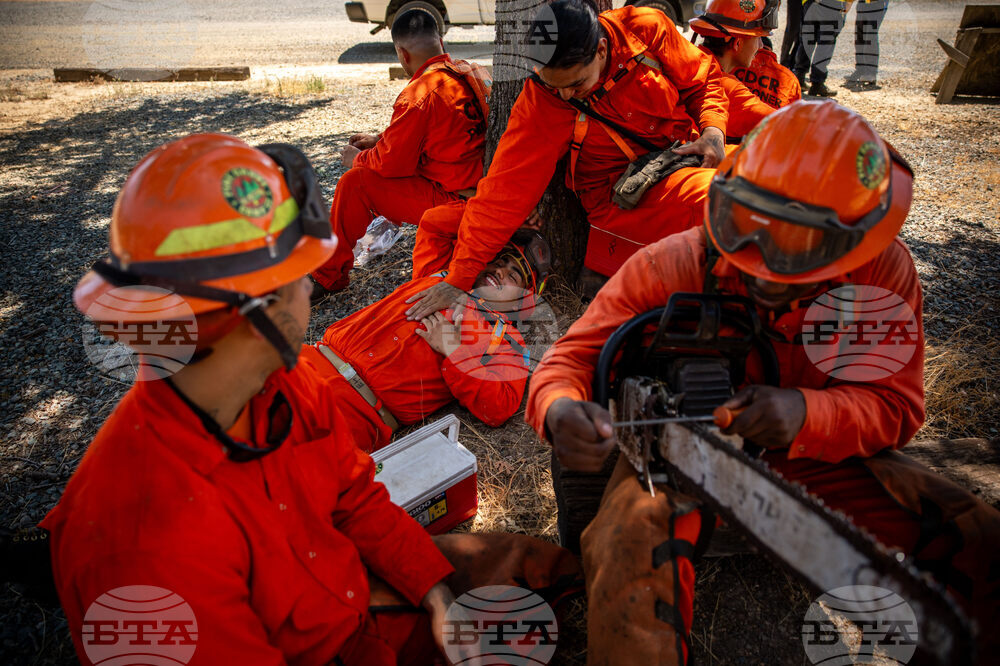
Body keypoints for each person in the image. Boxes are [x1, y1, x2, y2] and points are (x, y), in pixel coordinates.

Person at [41, 134, 580, 664]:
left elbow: (355, 496)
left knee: (532, 587)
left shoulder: (281, 385)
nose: (310, 290)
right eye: (298, 276)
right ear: (257, 312)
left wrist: (436, 592)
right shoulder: (143, 545)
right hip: (326, 626)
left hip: (346, 600)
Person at [525, 102, 1000, 662]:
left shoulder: (881, 274)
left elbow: (894, 406)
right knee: (627, 543)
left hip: (815, 457)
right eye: (749, 230)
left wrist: (805, 414)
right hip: (678, 454)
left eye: (794, 247)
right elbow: (571, 358)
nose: (758, 264)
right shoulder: (677, 262)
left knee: (974, 537)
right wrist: (557, 409)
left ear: (848, 244)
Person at [404, 0, 731, 321]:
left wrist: (714, 131)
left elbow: (703, 81)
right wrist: (458, 280)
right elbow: (502, 194)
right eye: (552, 85)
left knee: (763, 181)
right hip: (622, 198)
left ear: (602, 50)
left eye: (575, 84)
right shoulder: (542, 101)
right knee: (724, 198)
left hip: (681, 158)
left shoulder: (646, 28)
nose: (563, 97)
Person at [307, 231, 551, 452]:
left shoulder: (506, 338)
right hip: (309, 360)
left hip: (353, 411)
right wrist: (502, 222)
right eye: (500, 261)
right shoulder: (443, 274)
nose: (500, 271)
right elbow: (437, 223)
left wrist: (454, 351)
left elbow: (500, 405)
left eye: (513, 275)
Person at [310, 6, 491, 299]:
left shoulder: (420, 92)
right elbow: (438, 132)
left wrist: (355, 158)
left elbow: (392, 164)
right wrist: (379, 138)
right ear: (441, 42)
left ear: (402, 55)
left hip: (458, 201)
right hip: (486, 193)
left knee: (354, 183)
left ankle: (327, 277)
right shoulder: (471, 71)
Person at [688, 0, 780, 140]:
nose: (761, 46)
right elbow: (784, 122)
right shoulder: (726, 87)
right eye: (758, 38)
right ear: (737, 43)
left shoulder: (690, 62)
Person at [731, 36, 802, 108]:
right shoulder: (791, 80)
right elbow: (795, 113)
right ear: (770, 51)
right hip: (772, 118)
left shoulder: (734, 63)